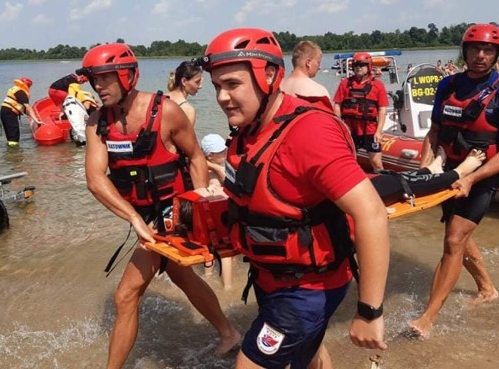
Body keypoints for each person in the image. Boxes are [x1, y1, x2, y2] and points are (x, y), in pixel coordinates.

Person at [198, 27, 389, 369]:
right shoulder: (248, 130)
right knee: (308, 354)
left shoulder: (309, 132)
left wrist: (370, 311)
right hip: (270, 277)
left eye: (232, 84)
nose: (222, 97)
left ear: (269, 75)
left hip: (308, 288)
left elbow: (371, 213)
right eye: (217, 87)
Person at [79, 43, 240, 369]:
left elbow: (196, 157)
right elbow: (96, 179)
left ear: (127, 76)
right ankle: (229, 333)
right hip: (144, 215)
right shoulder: (97, 122)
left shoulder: (166, 111)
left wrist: (198, 214)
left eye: (104, 79)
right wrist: (135, 219)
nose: (98, 87)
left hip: (172, 214)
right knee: (184, 277)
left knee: (125, 297)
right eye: (94, 80)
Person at [409, 23, 499, 339]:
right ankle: (488, 289)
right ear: (464, 52)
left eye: (488, 50)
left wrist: (473, 177)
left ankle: (427, 318)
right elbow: (434, 132)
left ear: (496, 54)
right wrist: (424, 173)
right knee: (456, 232)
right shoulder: (447, 86)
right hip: (449, 169)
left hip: (483, 173)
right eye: (474, 49)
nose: (480, 55)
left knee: (453, 239)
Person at [333, 52, 389, 171]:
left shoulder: (378, 86)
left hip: (370, 129)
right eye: (356, 65)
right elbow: (337, 105)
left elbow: (382, 109)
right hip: (350, 128)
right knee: (349, 161)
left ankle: (381, 184)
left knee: (376, 162)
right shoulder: (345, 84)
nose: (358, 67)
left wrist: (379, 131)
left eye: (362, 65)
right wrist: (340, 126)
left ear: (369, 66)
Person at [199, 133, 233, 290]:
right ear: (210, 155)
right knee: (226, 252)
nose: (225, 153)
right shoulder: (216, 170)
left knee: (208, 249)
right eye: (222, 152)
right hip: (217, 215)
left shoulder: (200, 166)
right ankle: (228, 286)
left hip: (206, 217)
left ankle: (208, 278)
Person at [279, 40, 331, 107]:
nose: (319, 67)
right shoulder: (320, 92)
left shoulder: (277, 87)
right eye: (318, 62)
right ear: (308, 62)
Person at [0, 77, 42, 147]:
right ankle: (14, 153)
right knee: (14, 136)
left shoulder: (16, 90)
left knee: (10, 135)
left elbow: (24, 109)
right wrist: (37, 120)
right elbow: (28, 107)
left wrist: (33, 118)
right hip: (10, 113)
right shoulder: (21, 92)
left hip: (5, 112)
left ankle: (11, 153)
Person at [166, 61, 203, 127]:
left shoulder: (158, 97)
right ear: (184, 81)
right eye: (197, 82)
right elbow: (187, 137)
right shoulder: (188, 110)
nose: (200, 86)